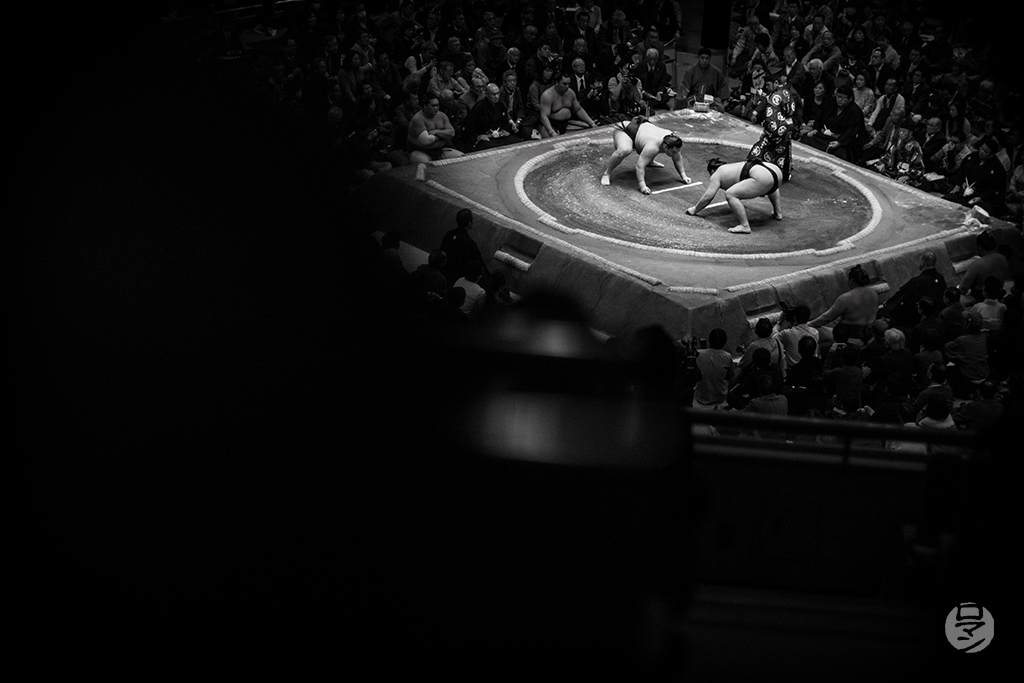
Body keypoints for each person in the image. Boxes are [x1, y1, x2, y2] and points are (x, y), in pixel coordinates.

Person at [685, 157, 783, 234]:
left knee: (730, 194)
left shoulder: (716, 174)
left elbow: (708, 196)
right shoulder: (732, 167)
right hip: (775, 171)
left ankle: (745, 226)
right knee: (770, 183)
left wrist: (695, 209)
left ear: (711, 171)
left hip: (761, 175)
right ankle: (777, 213)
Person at [600, 117, 690, 193]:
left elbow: (677, 159)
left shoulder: (673, 140)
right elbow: (639, 166)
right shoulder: (653, 146)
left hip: (641, 131)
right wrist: (643, 186)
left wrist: (684, 176)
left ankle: (650, 161)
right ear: (666, 147)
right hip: (625, 130)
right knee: (625, 150)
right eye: (673, 152)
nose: (675, 153)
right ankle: (607, 173)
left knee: (649, 151)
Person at [878, 251, 947, 334]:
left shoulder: (917, 282)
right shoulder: (940, 277)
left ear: (923, 263)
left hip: (917, 318)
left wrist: (887, 305)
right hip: (937, 313)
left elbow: (901, 297)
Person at [809, 264, 878, 347]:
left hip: (850, 337)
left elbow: (826, 318)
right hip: (869, 335)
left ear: (852, 281)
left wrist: (809, 324)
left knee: (813, 330)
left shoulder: (846, 298)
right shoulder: (874, 293)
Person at [747, 68, 795, 180]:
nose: (766, 87)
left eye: (768, 85)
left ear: (776, 83)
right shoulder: (787, 93)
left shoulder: (775, 97)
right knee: (782, 153)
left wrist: (769, 130)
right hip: (787, 127)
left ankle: (759, 170)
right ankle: (781, 174)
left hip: (777, 128)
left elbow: (771, 118)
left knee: (761, 148)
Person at [802, 85, 866, 162]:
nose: (839, 99)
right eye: (838, 96)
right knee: (807, 138)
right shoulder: (831, 102)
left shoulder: (856, 112)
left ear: (850, 99)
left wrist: (840, 142)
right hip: (826, 135)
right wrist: (816, 128)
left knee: (839, 153)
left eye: (843, 98)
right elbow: (820, 115)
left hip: (845, 142)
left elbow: (852, 133)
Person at [406, 93, 462, 163]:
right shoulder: (417, 119)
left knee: (461, 157)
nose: (436, 108)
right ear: (425, 106)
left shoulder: (442, 115)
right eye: (433, 106)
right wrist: (443, 136)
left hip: (440, 150)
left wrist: (437, 132)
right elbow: (426, 140)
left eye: (437, 105)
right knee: (426, 164)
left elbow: (451, 133)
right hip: (420, 151)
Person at [539, 72, 597, 137]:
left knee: (588, 129)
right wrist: (551, 132)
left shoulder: (570, 93)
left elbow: (578, 110)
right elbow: (544, 116)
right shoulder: (547, 95)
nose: (567, 86)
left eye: (568, 84)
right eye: (564, 84)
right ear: (557, 83)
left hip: (566, 124)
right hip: (550, 125)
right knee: (550, 141)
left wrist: (591, 122)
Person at [439, 209, 489, 286]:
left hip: (443, 272)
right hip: (457, 280)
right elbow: (478, 263)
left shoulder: (449, 234)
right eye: (472, 220)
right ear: (469, 223)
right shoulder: (469, 243)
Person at [692, 328, 736, 409]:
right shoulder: (727, 356)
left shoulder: (698, 354)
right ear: (724, 342)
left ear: (709, 341)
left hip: (700, 397)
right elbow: (731, 377)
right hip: (720, 398)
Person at [679, 47, 730, 112]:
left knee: (720, 108)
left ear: (710, 59)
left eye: (707, 59)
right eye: (702, 58)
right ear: (698, 58)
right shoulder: (691, 71)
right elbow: (685, 85)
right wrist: (684, 97)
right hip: (694, 98)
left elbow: (723, 85)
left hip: (710, 99)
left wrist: (722, 99)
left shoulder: (716, 71)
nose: (704, 61)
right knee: (688, 108)